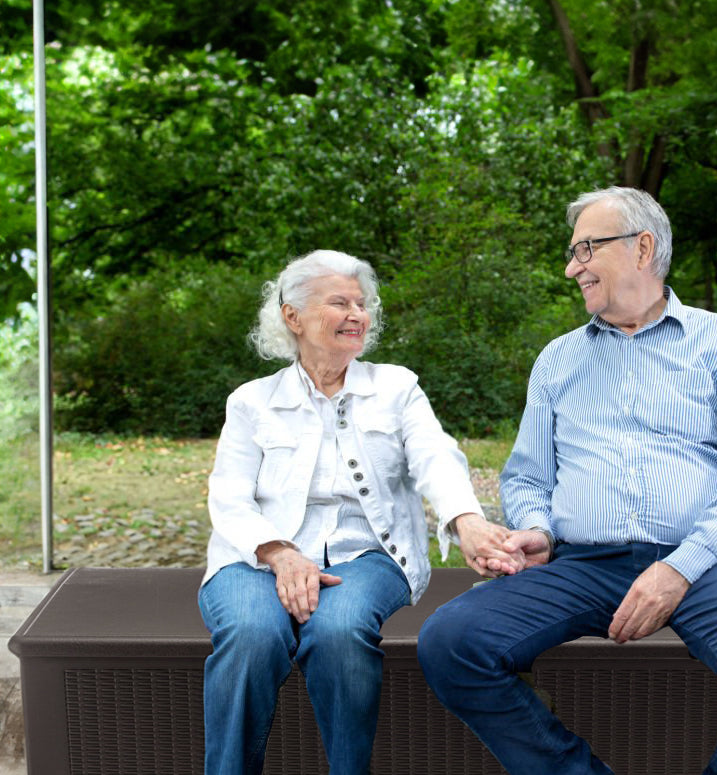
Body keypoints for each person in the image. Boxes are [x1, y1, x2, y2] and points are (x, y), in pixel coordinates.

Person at [418, 188, 717, 775]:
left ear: (643, 248)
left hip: (709, 565)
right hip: (583, 565)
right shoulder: (558, 360)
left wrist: (678, 568)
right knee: (452, 642)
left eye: (586, 248)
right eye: (571, 252)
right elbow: (529, 476)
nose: (572, 267)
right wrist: (537, 530)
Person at [199, 249, 518, 775]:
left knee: (339, 632)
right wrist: (280, 553)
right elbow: (228, 497)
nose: (357, 314)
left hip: (369, 554)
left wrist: (466, 521)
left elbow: (436, 456)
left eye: (362, 303)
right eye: (339, 302)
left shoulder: (396, 387)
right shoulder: (251, 402)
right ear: (292, 316)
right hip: (255, 558)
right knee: (254, 634)